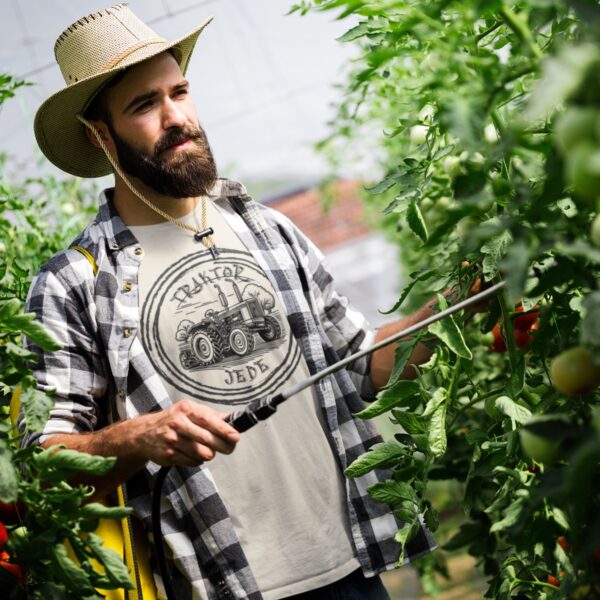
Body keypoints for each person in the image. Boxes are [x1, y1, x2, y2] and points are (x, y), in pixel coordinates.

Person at [24, 4, 439, 599]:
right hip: (225, 585)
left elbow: (360, 368)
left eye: (180, 92)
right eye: (145, 105)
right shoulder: (74, 284)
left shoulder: (267, 227)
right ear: (99, 135)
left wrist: (456, 310)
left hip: (350, 564)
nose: (177, 117)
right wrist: (137, 436)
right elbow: (44, 463)